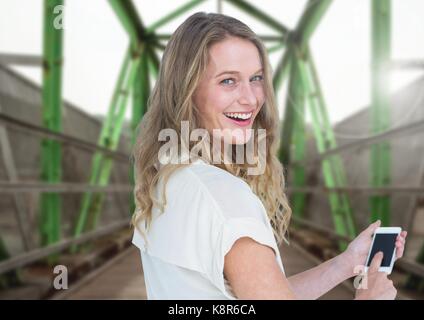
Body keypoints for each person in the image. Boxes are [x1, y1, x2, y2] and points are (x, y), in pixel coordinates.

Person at [131, 12, 407, 300]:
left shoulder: (166, 180)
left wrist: (346, 263)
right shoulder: (225, 197)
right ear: (187, 90)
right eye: (228, 81)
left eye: (256, 78)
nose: (251, 99)